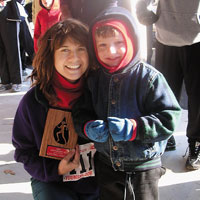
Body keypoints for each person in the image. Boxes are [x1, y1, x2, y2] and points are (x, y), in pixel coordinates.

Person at [72, 6, 181, 200]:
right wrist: (88, 128)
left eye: (118, 42)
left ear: (132, 41)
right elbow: (80, 113)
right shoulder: (94, 80)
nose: (110, 51)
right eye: (102, 45)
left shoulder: (150, 78)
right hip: (106, 164)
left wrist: (134, 128)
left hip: (143, 169)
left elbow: (170, 118)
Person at [12, 19, 99, 200]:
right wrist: (55, 169)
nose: (74, 58)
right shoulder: (33, 102)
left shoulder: (101, 95)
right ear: (50, 56)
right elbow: (23, 151)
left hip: (97, 182)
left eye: (81, 49)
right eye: (64, 50)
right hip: (51, 182)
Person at [136, 0, 200, 170]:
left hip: (197, 38)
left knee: (197, 96)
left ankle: (196, 143)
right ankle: (165, 137)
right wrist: (142, 9)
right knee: (164, 95)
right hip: (165, 36)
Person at [0, 0, 33, 92]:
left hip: (10, 13)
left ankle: (16, 81)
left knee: (12, 49)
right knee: (1, 51)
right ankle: (5, 81)